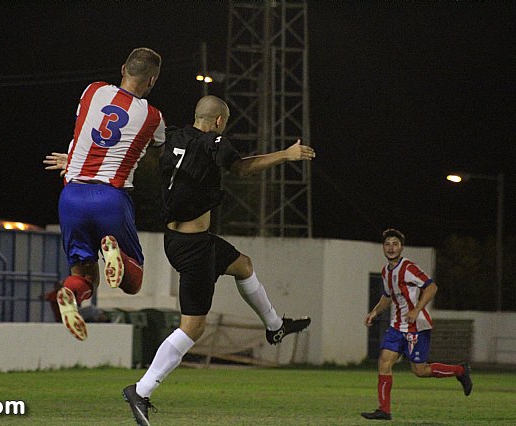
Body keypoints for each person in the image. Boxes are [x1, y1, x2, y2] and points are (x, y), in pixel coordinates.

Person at [122, 95, 314, 426]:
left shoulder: (175, 136)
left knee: (244, 265)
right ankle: (141, 390)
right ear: (220, 121)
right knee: (193, 327)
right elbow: (243, 167)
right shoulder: (215, 142)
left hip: (185, 240)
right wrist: (286, 154)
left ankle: (275, 327)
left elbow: (138, 152)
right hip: (192, 247)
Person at [50, 47, 166, 341]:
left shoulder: (93, 91)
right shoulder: (153, 117)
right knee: (132, 282)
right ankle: (114, 252)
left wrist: (73, 159)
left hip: (71, 195)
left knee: (85, 275)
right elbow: (155, 148)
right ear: (152, 81)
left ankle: (70, 294)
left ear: (122, 69)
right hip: (110, 198)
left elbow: (85, 132)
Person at [361, 228, 472, 421]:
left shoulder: (408, 268)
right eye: (387, 244)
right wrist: (374, 312)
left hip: (416, 327)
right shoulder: (386, 272)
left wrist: (417, 309)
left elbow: (431, 286)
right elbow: (388, 297)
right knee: (384, 362)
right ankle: (384, 410)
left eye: (395, 244)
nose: (391, 248)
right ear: (383, 247)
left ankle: (460, 370)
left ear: (401, 247)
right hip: (397, 327)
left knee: (420, 371)